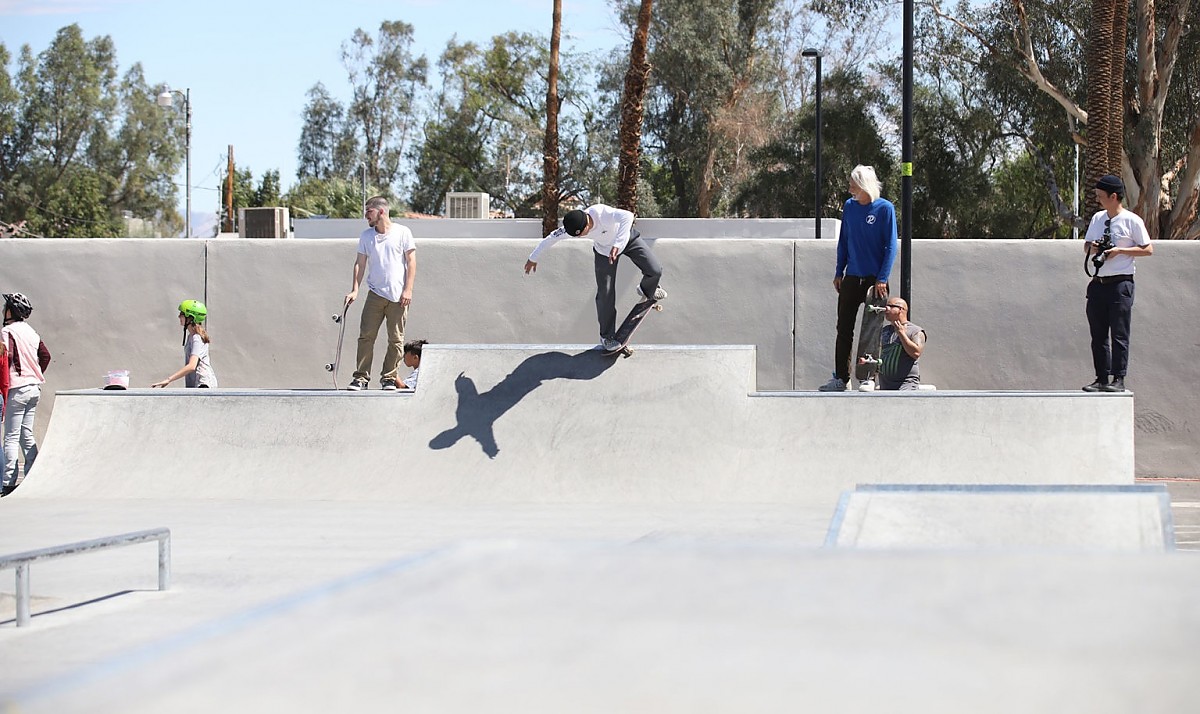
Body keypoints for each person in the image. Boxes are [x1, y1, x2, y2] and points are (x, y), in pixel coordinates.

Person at [524, 204, 666, 351]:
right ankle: (607, 337)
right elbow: (551, 238)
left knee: (655, 270)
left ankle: (646, 288)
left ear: (586, 223)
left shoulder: (602, 213)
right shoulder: (572, 227)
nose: (580, 237)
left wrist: (618, 244)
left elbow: (628, 216)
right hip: (604, 252)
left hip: (628, 241)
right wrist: (533, 258)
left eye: (581, 234)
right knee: (605, 293)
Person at [819, 165, 898, 391]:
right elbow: (844, 241)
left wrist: (882, 278)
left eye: (853, 182)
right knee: (843, 328)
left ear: (864, 184)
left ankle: (868, 378)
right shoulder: (849, 207)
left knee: (871, 329)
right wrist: (838, 271)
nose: (849, 187)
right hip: (852, 276)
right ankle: (841, 379)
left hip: (876, 280)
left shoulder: (885, 209)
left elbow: (890, 246)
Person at [1082, 174, 1153, 393]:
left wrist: (1120, 251)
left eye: (1101, 196)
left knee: (1119, 334)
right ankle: (1101, 377)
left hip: (1120, 284)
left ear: (1114, 196)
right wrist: (1093, 247)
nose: (1098, 200)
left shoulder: (1132, 220)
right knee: (1098, 334)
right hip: (1098, 282)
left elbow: (1148, 249)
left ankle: (1118, 379)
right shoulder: (1098, 218)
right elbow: (1086, 246)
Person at [345, 196, 416, 391]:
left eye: (369, 211)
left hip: (399, 297)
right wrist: (355, 290)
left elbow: (411, 262)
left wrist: (408, 290)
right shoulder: (366, 236)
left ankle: (389, 378)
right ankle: (361, 378)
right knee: (366, 336)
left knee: (396, 339)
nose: (366, 216)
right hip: (375, 294)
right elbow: (360, 263)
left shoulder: (403, 232)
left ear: (381, 211)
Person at [2, 292, 51, 496]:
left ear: (11, 310)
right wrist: (35, 373)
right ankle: (32, 474)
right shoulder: (32, 332)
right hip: (34, 388)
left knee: (11, 437)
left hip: (17, 388)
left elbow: (5, 358)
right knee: (26, 434)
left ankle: (8, 481)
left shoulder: (7, 331)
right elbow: (46, 356)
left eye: (5, 307)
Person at [859, 297, 925, 390]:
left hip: (906, 384)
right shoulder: (885, 331)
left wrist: (901, 334)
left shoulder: (915, 331)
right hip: (885, 385)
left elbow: (916, 353)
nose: (886, 309)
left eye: (890, 306)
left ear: (900, 309)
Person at [151, 300, 218, 388]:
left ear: (190, 317)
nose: (179, 316)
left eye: (182, 314)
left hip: (203, 384)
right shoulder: (191, 337)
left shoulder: (197, 338)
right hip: (197, 384)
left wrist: (168, 379)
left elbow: (192, 366)